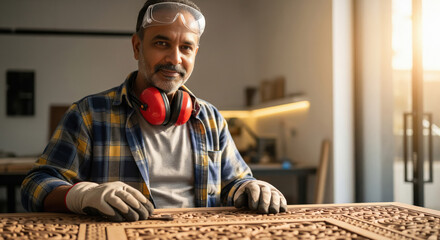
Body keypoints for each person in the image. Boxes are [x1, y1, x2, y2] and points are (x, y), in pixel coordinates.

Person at [21, 0, 287, 222]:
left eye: (186, 47)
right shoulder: (89, 114)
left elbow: (234, 184)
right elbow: (35, 186)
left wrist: (252, 186)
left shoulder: (210, 119)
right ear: (137, 46)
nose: (175, 58)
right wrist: (82, 195)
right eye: (162, 43)